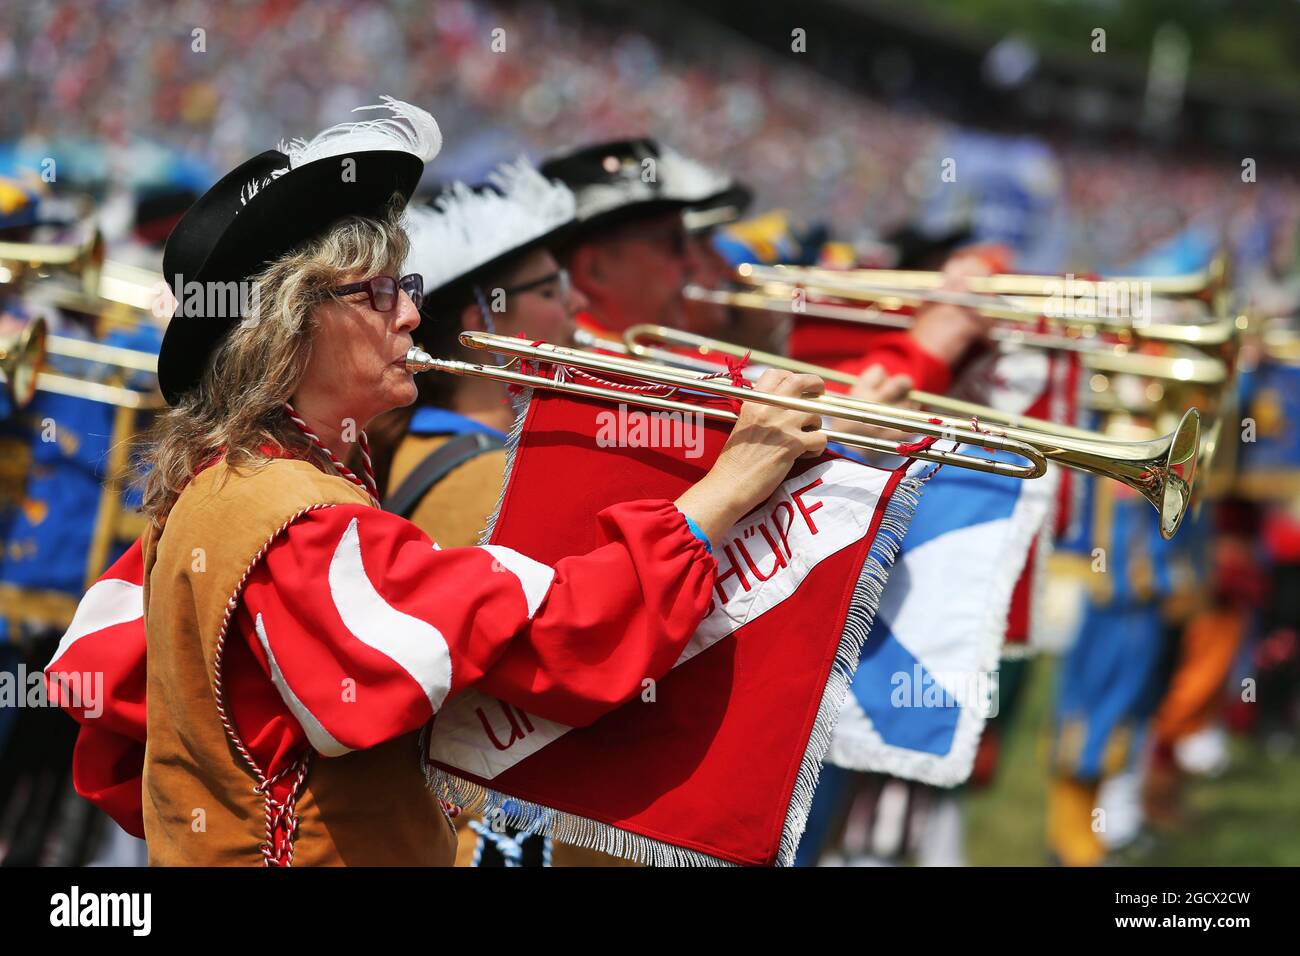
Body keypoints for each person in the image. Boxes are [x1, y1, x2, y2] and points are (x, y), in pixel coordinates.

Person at [47, 99, 830, 867]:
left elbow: (122, 739)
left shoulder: (237, 488)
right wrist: (726, 488)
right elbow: (549, 636)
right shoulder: (291, 516)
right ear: (289, 323)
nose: (411, 316)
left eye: (406, 288)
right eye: (377, 293)